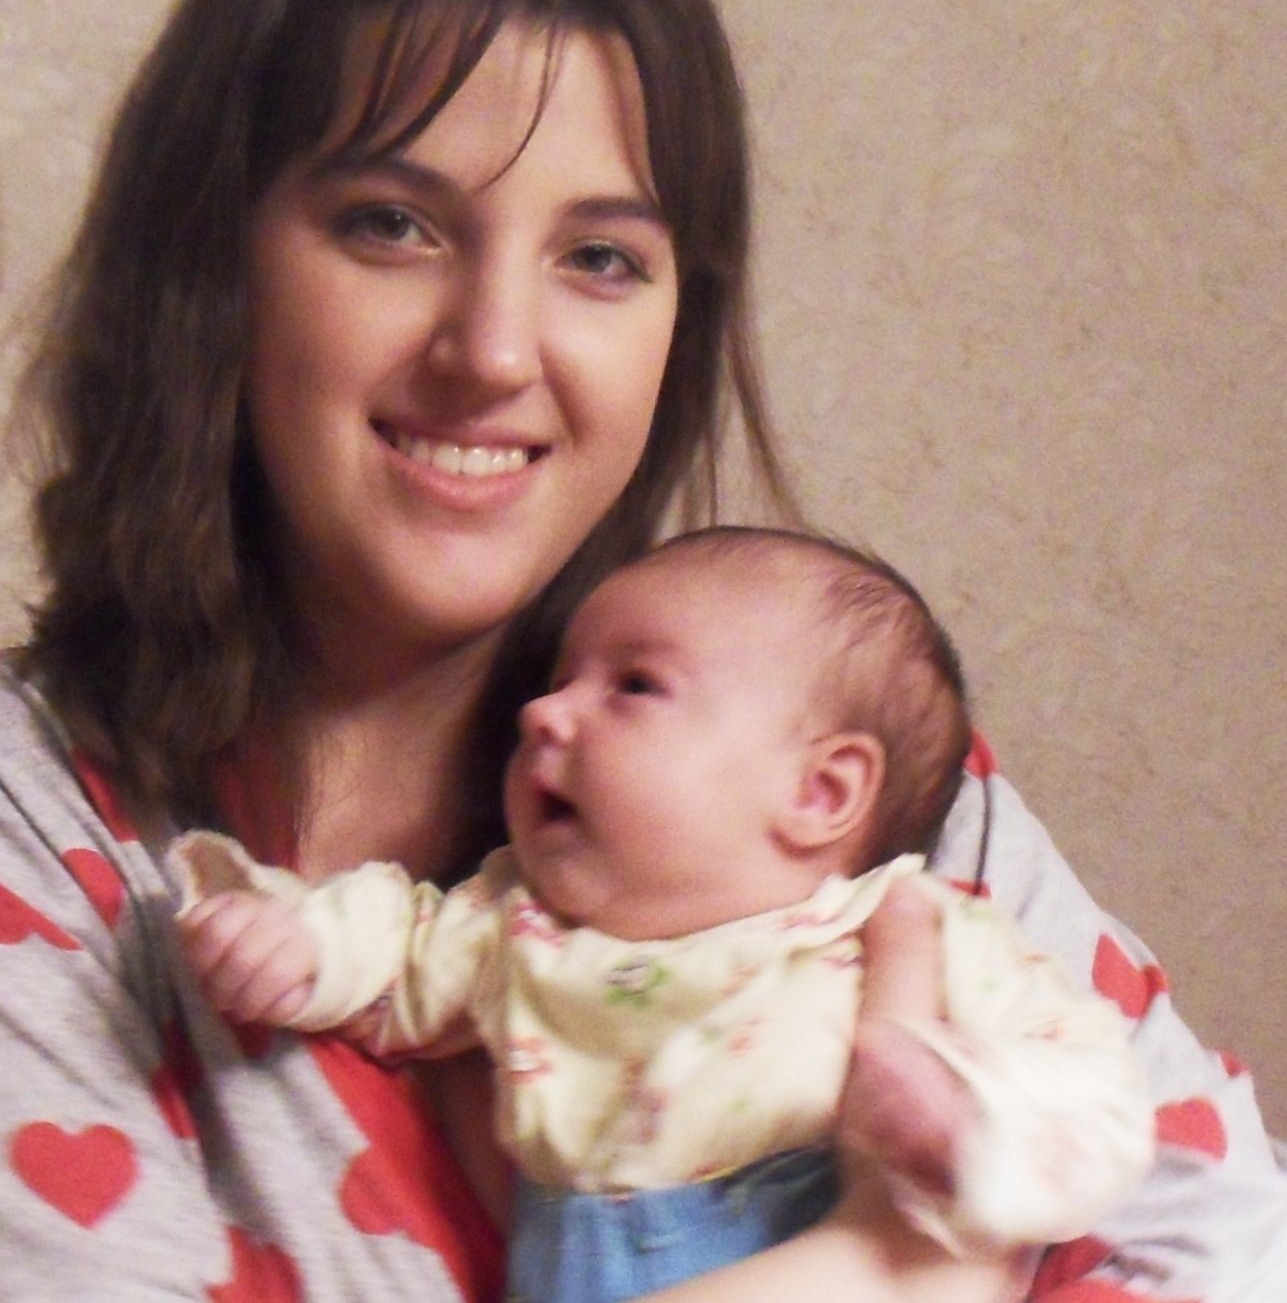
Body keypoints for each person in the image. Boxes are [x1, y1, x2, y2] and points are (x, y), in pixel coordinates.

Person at [0, 0, 1282, 1298]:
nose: (494, 350)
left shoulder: (831, 764)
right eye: (392, 224)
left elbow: (1229, 1238)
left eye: (601, 257)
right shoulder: (46, 846)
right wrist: (884, 1267)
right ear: (212, 260)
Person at [171, 526, 1157, 1303]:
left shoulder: (901, 931)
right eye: (559, 681)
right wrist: (293, 939)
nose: (543, 714)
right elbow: (396, 948)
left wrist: (967, 1126)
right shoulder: (514, 925)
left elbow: (1098, 1086)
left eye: (634, 685)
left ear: (818, 792)